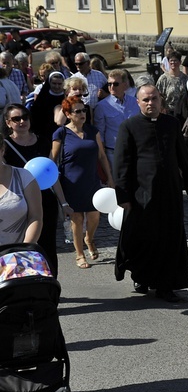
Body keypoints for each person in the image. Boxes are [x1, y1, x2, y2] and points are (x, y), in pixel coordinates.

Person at [113, 85, 188, 302]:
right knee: (145, 238)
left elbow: (183, 158)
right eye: (145, 100)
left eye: (154, 99)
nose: (150, 103)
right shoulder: (129, 126)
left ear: (160, 101)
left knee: (170, 238)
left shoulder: (171, 124)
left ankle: (165, 285)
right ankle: (141, 276)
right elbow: (122, 163)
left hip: (170, 192)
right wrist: (123, 198)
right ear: (138, 103)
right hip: (142, 194)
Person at [3, 104, 72, 277]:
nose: (22, 121)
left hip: (45, 199)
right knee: (21, 244)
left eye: (25, 117)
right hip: (17, 201)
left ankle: (49, 284)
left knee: (47, 244)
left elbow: (51, 173)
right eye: (16, 119)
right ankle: (22, 280)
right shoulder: (5, 145)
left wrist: (63, 202)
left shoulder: (42, 141)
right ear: (8, 123)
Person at [50, 96, 113, 269]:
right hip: (70, 183)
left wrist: (110, 178)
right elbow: (52, 159)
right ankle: (79, 254)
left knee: (94, 216)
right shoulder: (61, 133)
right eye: (77, 111)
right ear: (68, 114)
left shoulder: (93, 131)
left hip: (92, 181)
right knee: (77, 219)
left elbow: (101, 156)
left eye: (84, 110)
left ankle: (89, 239)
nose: (82, 113)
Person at [93, 69, 140, 170]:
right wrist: (102, 156)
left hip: (135, 149)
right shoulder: (101, 106)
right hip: (113, 153)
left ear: (125, 85)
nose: (111, 87)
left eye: (116, 84)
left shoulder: (136, 103)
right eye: (109, 84)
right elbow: (99, 133)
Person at [0, 137, 42, 245]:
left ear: (2, 150)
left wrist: (24, 249)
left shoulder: (23, 176)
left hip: (17, 256)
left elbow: (35, 216)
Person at [156, 51, 188, 123]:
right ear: (168, 62)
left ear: (180, 62)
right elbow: (158, 95)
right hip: (168, 111)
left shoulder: (185, 78)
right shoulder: (163, 78)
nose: (173, 63)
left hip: (182, 112)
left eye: (175, 60)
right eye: (171, 60)